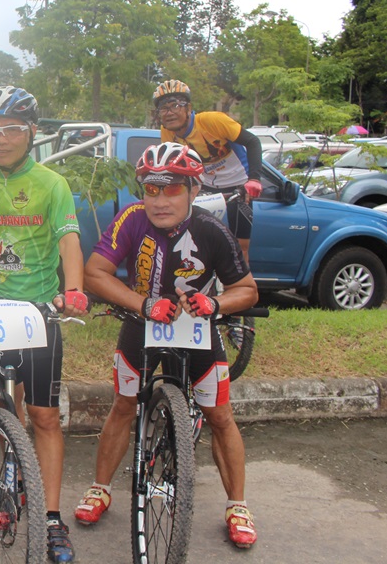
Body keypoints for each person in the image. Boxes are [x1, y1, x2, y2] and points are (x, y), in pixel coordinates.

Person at [73, 142, 259, 550]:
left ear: (194, 190)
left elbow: (247, 290)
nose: (159, 201)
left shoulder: (211, 229)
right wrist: (143, 304)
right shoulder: (131, 219)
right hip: (141, 324)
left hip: (198, 329)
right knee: (124, 405)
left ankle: (238, 505)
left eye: (172, 189)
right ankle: (100, 487)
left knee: (220, 416)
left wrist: (215, 304)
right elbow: (95, 272)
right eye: (151, 190)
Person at [0, 86, 88, 563]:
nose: (1, 138)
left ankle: (51, 518)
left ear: (32, 132)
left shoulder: (51, 184)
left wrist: (73, 290)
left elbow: (69, 241)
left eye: (12, 129)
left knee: (44, 416)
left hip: (38, 312)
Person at [155, 79, 263, 262]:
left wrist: (254, 179)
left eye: (175, 105)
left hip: (238, 184)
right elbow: (174, 166)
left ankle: (242, 279)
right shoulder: (167, 133)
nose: (169, 113)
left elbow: (253, 142)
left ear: (188, 108)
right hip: (207, 187)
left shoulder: (211, 120)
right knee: (196, 242)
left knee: (240, 247)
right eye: (163, 109)